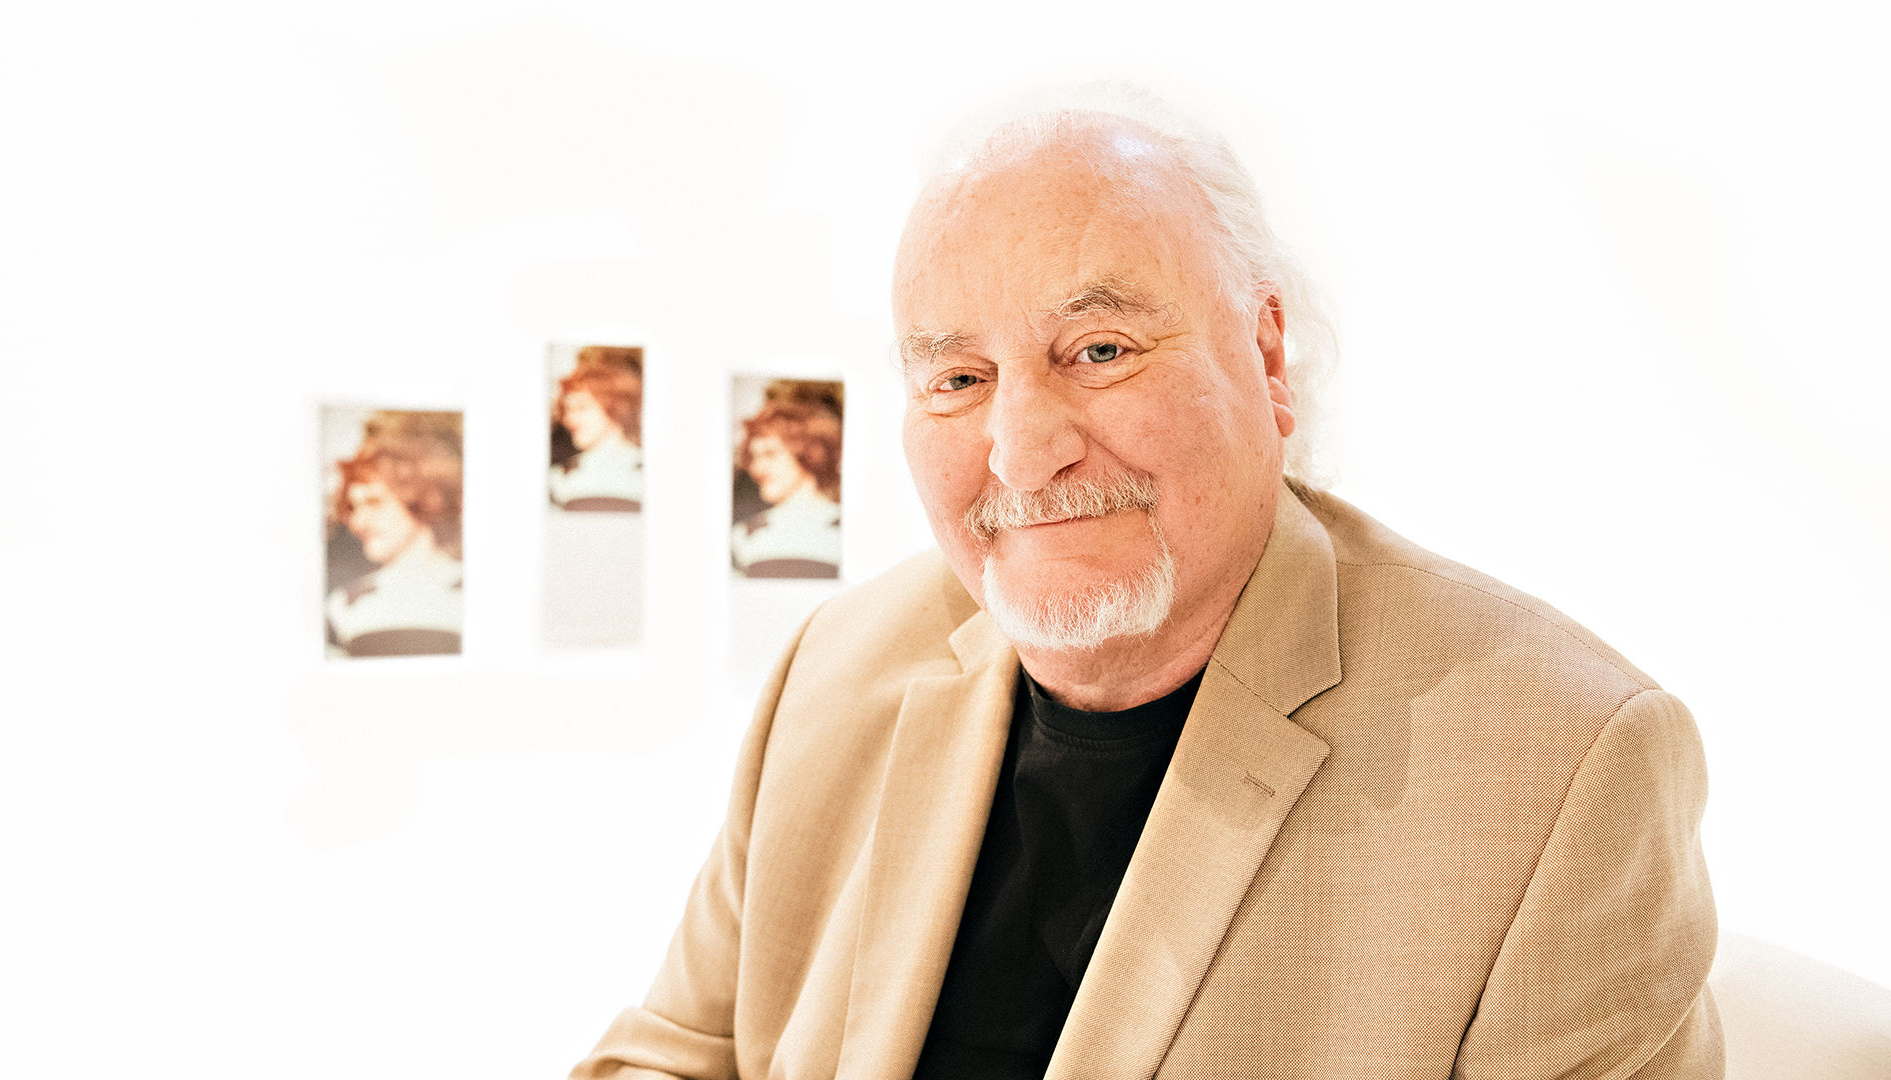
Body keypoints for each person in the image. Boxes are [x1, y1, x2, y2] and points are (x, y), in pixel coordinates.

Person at [573, 94, 1720, 1077]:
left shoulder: (1563, 767)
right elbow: (674, 1052)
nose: (1024, 453)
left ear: (1266, 356)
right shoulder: (834, 669)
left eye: (1101, 350)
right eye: (959, 378)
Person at [325, 410, 464, 657]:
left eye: (374, 502)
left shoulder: (475, 592)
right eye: (352, 508)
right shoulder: (344, 605)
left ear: (424, 497)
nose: (357, 522)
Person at [730, 381, 843, 579]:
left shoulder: (846, 528)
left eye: (770, 454)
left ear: (809, 453)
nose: (756, 469)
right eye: (753, 457)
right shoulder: (743, 535)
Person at [550, 346, 644, 512]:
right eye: (566, 410)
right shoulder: (557, 479)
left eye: (581, 407)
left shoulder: (651, 472)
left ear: (616, 406)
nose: (569, 420)